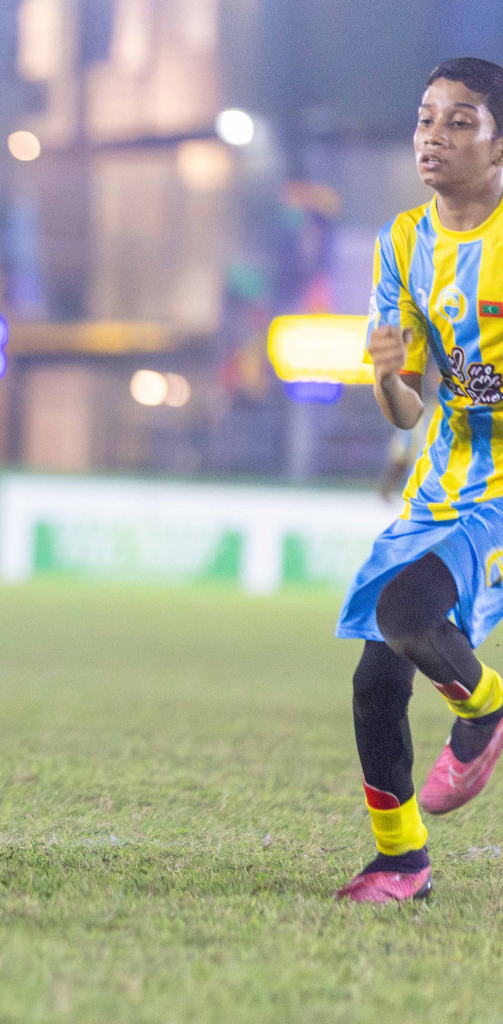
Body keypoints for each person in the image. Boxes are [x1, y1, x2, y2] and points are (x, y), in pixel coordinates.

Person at [334, 58, 503, 903]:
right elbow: (406, 411)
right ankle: (402, 860)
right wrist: (389, 374)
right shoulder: (403, 241)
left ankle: (486, 709)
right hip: (442, 485)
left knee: (408, 615)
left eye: (461, 120)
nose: (434, 136)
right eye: (425, 118)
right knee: (375, 681)